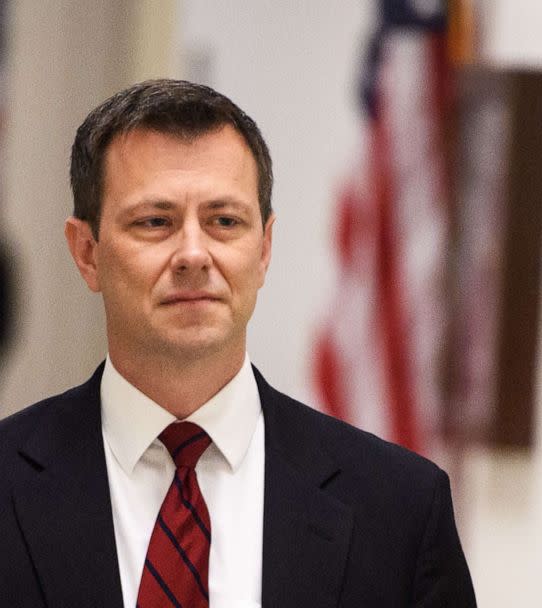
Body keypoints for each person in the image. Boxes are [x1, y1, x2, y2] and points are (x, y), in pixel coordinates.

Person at [0, 79, 476, 608]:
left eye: (224, 222)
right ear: (87, 252)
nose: (194, 254)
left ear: (265, 248)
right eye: (155, 222)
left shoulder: (400, 509)